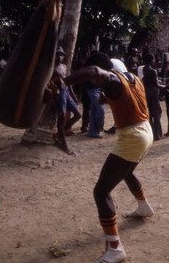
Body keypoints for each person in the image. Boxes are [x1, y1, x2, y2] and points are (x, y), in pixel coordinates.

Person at [62, 52, 154, 263]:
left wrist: (61, 84)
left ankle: (115, 248)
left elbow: (94, 71)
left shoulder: (110, 77)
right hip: (145, 131)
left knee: (101, 191)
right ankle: (144, 206)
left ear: (103, 71)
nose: (93, 80)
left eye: (94, 78)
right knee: (127, 171)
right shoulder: (132, 79)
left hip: (133, 136)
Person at [50, 46, 81, 155]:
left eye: (61, 55)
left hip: (66, 92)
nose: (60, 57)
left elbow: (68, 82)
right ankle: (63, 144)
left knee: (77, 115)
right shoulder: (51, 68)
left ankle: (60, 134)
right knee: (61, 117)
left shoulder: (64, 67)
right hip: (59, 94)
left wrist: (73, 95)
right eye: (58, 54)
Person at [142, 53, 165, 141]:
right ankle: (157, 134)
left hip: (147, 92)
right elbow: (156, 84)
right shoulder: (153, 71)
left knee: (151, 113)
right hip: (153, 93)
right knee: (157, 112)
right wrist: (165, 86)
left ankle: (151, 132)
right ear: (152, 60)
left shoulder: (144, 69)